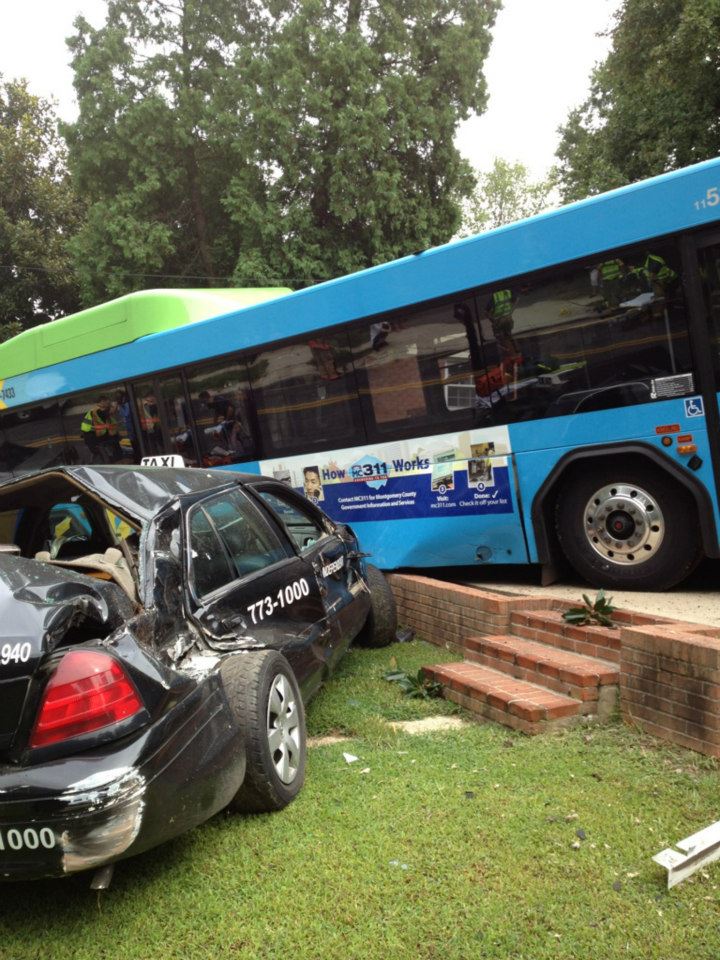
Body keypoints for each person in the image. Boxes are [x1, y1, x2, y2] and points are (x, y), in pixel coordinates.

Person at [80, 395, 122, 464]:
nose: (109, 403)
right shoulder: (96, 411)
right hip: (91, 437)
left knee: (113, 444)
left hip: (96, 435)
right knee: (104, 455)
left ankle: (114, 459)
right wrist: (114, 405)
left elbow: (107, 420)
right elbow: (108, 414)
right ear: (102, 402)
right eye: (107, 402)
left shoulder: (99, 410)